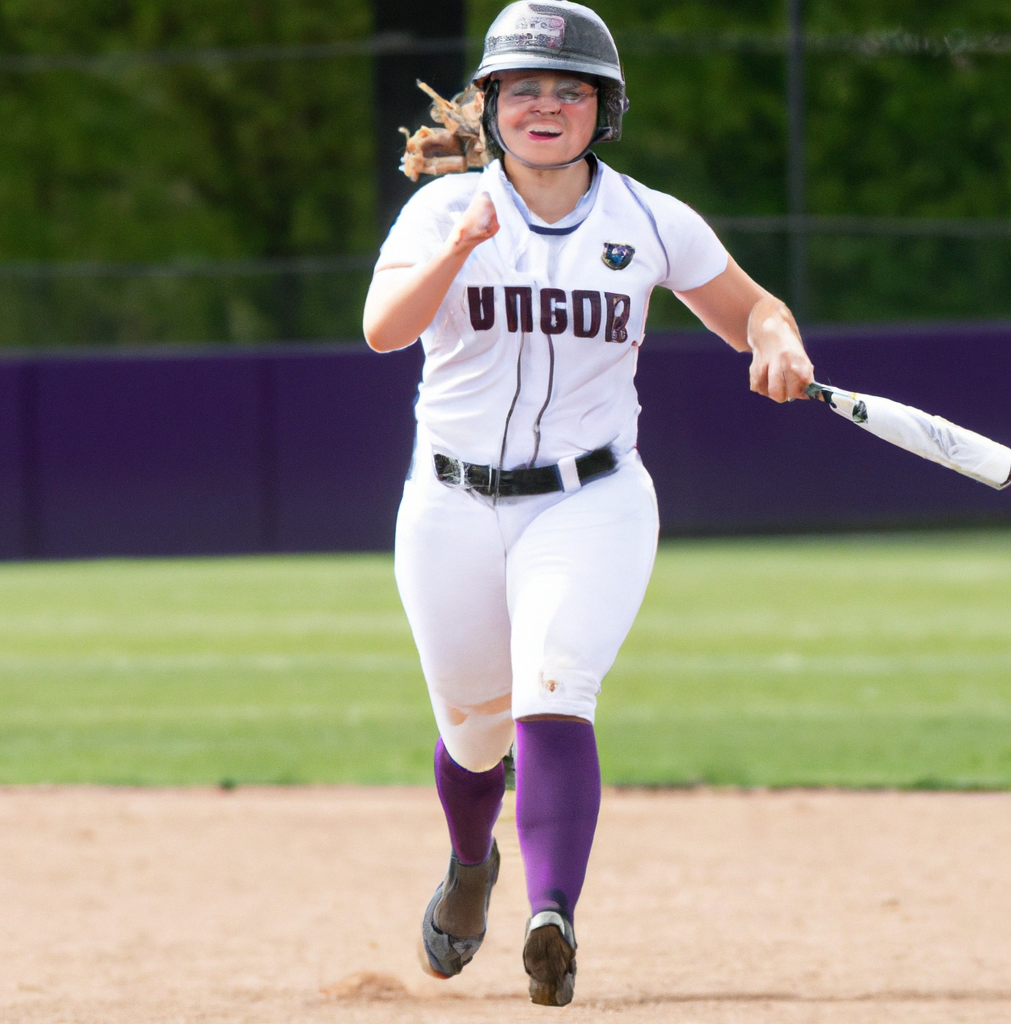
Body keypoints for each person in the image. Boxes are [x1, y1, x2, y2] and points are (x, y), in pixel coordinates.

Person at [363, 0, 813, 1006]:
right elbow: (384, 331)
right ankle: (472, 863)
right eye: (522, 87)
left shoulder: (647, 218)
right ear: (488, 107)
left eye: (571, 88)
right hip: (449, 507)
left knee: (555, 686)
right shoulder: (442, 212)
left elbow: (755, 313)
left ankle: (550, 915)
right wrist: (458, 243)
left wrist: (778, 341)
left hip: (591, 499)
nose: (546, 104)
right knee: (475, 731)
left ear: (602, 110)